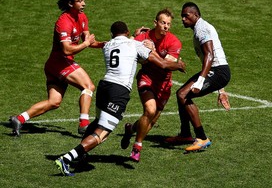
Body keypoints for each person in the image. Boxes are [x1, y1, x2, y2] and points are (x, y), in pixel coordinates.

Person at [55, 21, 185, 176]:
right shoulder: (135, 45)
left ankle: (82, 154)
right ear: (127, 31)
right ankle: (67, 158)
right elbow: (163, 64)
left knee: (97, 121)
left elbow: (109, 43)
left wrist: (134, 37)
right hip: (119, 91)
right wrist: (178, 65)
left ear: (112, 34)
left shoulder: (109, 44)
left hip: (104, 86)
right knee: (102, 133)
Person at [9, 0, 105, 136]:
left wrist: (108, 44)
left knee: (54, 101)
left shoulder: (82, 17)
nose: (83, 4)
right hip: (60, 63)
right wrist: (86, 44)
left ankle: (19, 119)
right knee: (88, 86)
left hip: (55, 65)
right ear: (70, 3)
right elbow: (67, 49)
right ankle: (84, 124)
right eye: (79, 1)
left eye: (83, 0)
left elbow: (90, 41)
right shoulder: (63, 22)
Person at [120, 8, 185, 162]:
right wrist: (137, 39)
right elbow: (131, 53)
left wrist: (152, 51)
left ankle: (131, 129)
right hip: (147, 78)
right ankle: (137, 147)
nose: (166, 26)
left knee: (152, 120)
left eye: (169, 24)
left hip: (164, 84)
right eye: (163, 23)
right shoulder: (142, 38)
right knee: (150, 110)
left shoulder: (174, 42)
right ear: (155, 23)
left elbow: (167, 65)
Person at [165, 2, 231, 152]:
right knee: (180, 94)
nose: (182, 19)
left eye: (186, 15)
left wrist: (200, 82)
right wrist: (221, 91)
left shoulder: (202, 29)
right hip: (215, 70)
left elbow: (210, 55)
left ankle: (202, 138)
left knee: (183, 94)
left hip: (218, 70)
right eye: (182, 16)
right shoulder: (199, 28)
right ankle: (185, 134)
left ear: (196, 15)